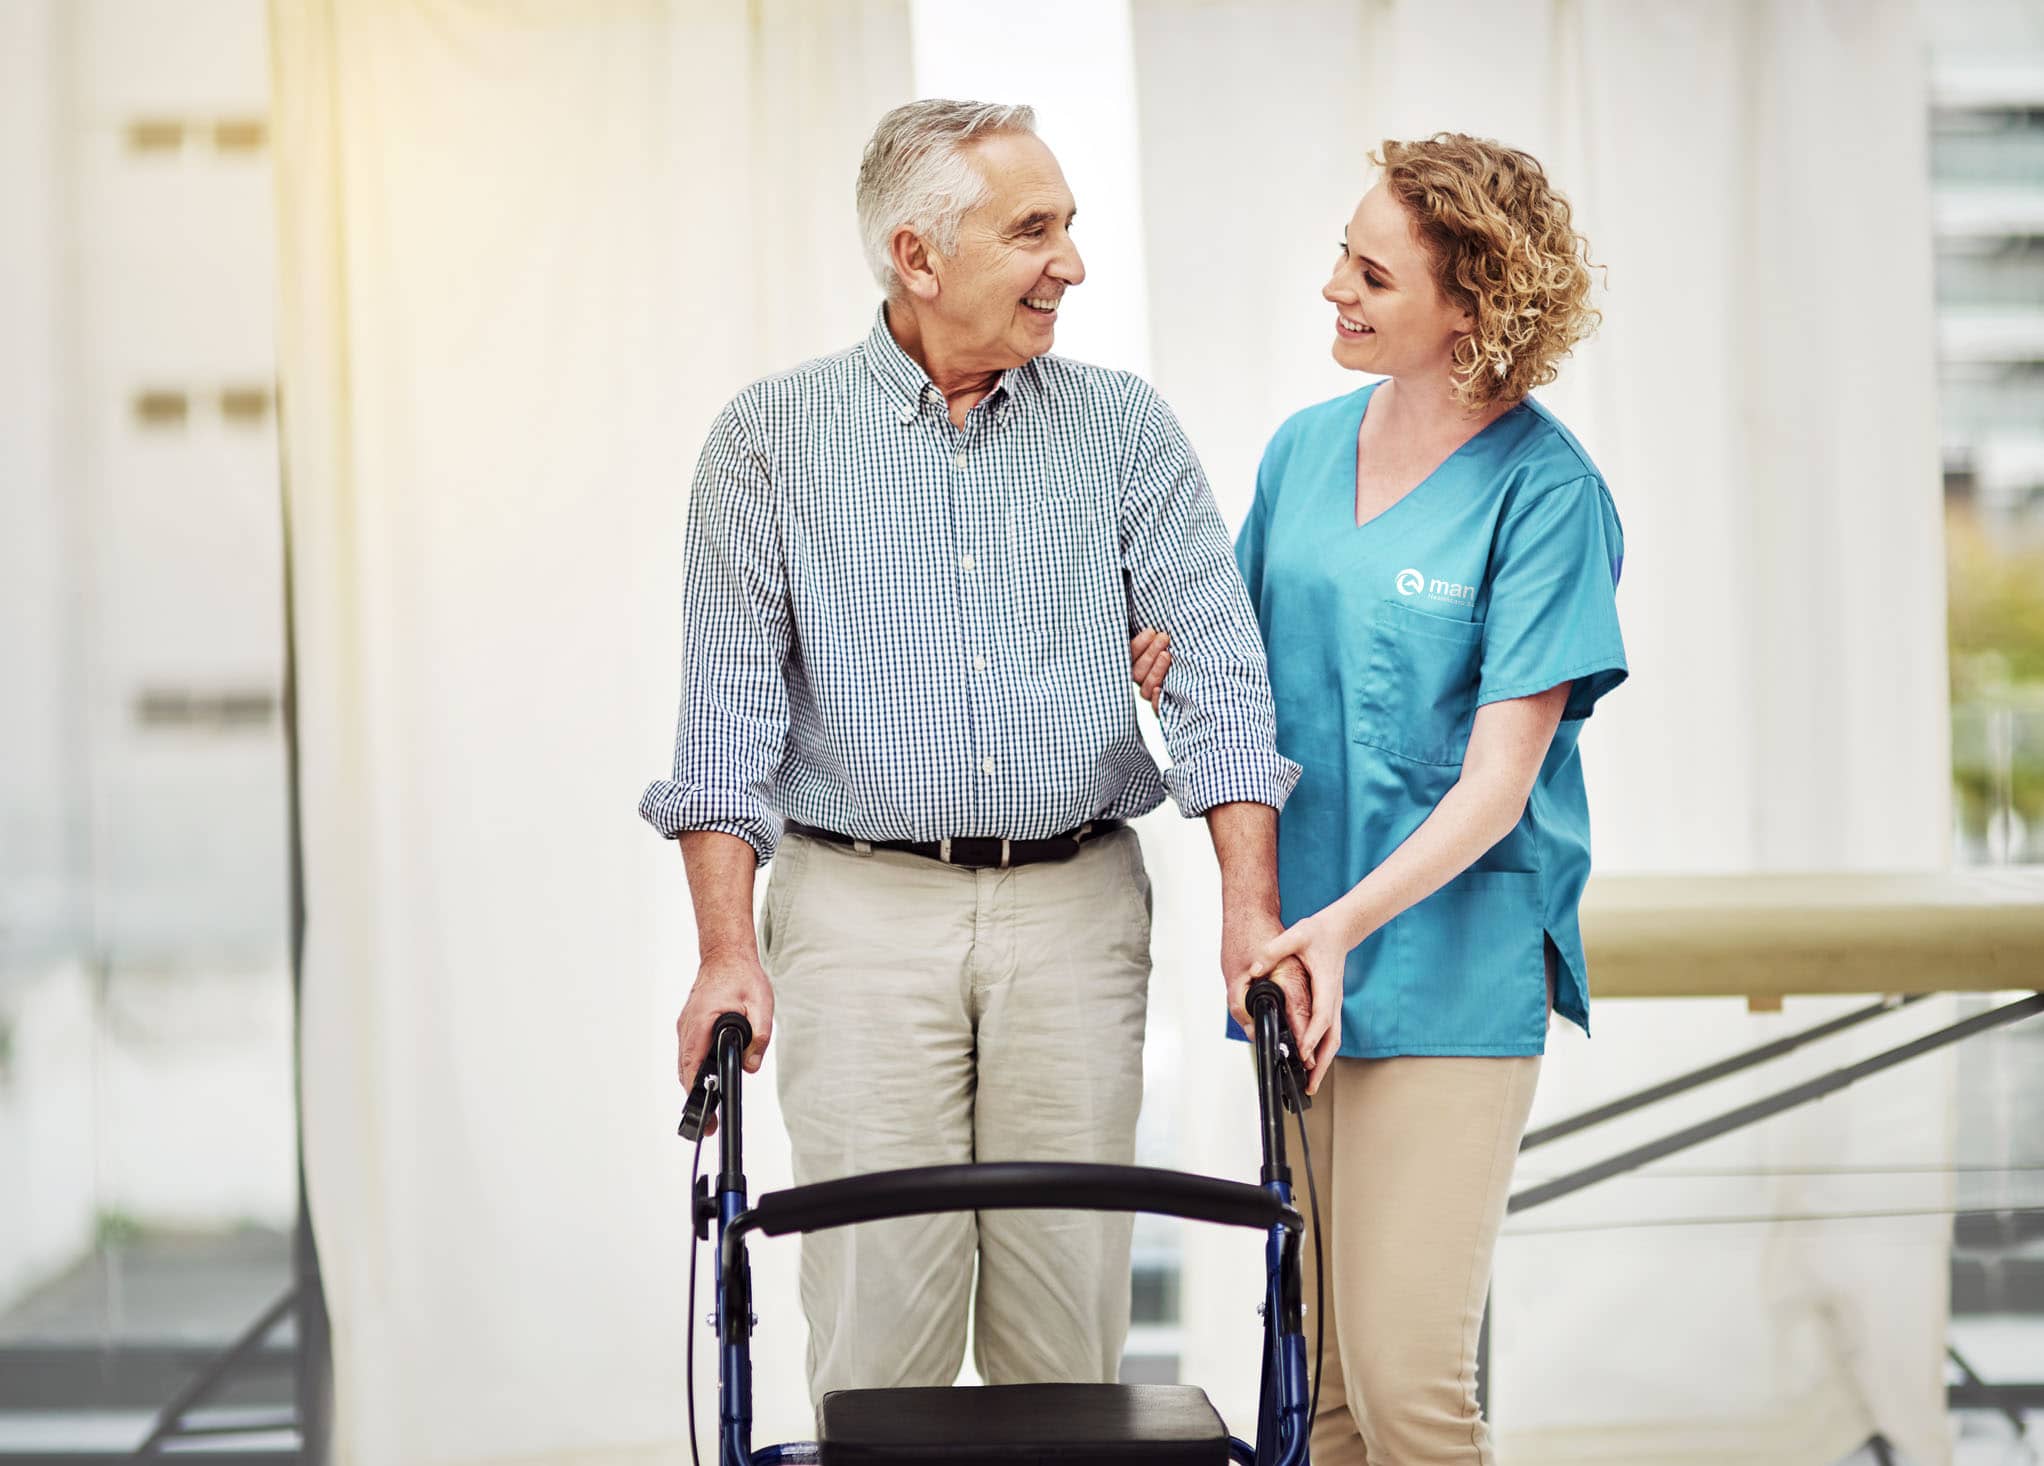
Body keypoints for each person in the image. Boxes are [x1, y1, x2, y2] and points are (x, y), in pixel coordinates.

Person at [641, 98, 1304, 1407]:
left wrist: (1249, 913)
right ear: (919, 256)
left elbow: (1221, 677)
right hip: (857, 909)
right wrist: (726, 950)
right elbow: (724, 723)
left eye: (1070, 226)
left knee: (1068, 1336)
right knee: (879, 1329)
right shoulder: (770, 443)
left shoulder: (1121, 429)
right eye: (1034, 230)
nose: (1071, 262)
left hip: (1074, 904)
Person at [1133, 132, 1625, 1463]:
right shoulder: (1302, 451)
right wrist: (1166, 670)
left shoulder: (1547, 494)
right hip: (1295, 961)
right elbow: (1237, 676)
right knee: (1323, 1392)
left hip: (1446, 972)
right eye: (1341, 257)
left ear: (1472, 305)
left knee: (1411, 1390)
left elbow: (1497, 783)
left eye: (1372, 272)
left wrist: (1342, 924)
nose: (1334, 291)